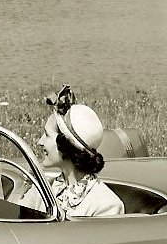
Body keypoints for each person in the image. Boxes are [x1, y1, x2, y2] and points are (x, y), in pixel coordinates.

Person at [36, 85, 123, 217]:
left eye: (47, 135)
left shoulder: (106, 206)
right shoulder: (45, 188)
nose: (39, 142)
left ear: (65, 145)